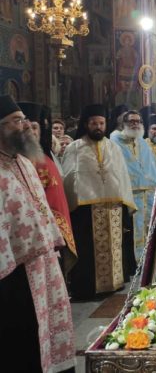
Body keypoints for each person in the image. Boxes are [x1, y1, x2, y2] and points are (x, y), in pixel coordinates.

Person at [0, 95, 75, 373]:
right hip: (13, 273)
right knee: (23, 336)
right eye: (15, 121)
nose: (24, 126)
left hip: (43, 263)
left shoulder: (26, 162)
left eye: (24, 120)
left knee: (47, 328)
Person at [62, 104, 136, 300]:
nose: (98, 127)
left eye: (101, 123)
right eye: (94, 123)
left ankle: (114, 283)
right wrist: (71, 204)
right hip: (85, 211)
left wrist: (125, 203)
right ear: (86, 124)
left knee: (113, 248)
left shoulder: (113, 147)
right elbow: (68, 177)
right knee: (88, 251)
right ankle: (87, 287)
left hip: (113, 209)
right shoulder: (74, 148)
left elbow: (122, 176)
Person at [18, 102, 78, 276]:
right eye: (25, 127)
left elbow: (56, 201)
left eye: (34, 127)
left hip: (46, 233)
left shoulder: (45, 161)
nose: (30, 132)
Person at [110, 110, 156, 261]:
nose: (135, 124)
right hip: (129, 195)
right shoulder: (115, 141)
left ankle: (147, 261)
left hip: (148, 193)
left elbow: (152, 166)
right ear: (124, 123)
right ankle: (134, 264)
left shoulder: (142, 142)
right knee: (132, 232)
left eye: (138, 121)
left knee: (149, 227)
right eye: (131, 121)